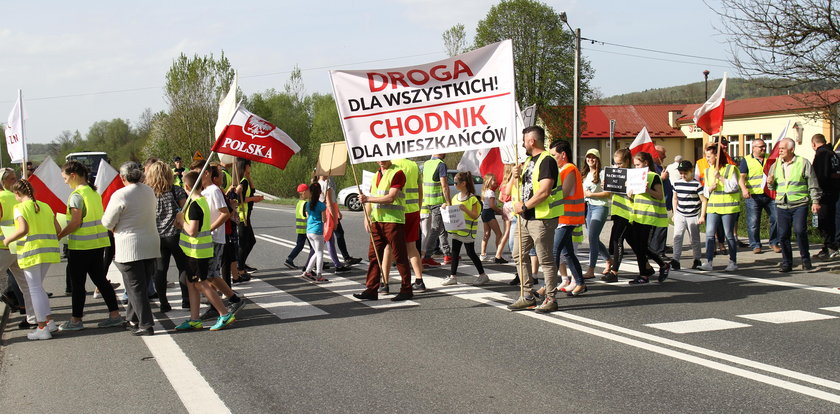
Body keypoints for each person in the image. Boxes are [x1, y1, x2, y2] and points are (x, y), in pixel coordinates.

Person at [56, 161, 123, 331]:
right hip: (98, 244)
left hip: (80, 247)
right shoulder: (93, 193)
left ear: (73, 176)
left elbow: (76, 223)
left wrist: (59, 235)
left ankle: (76, 320)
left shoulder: (76, 196)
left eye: (65, 178)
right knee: (101, 280)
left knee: (78, 285)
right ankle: (115, 315)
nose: (64, 182)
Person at [101, 162, 159, 335]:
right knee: (138, 285)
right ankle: (132, 318)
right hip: (150, 242)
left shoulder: (120, 194)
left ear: (122, 177)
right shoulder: (149, 191)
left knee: (135, 288)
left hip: (129, 245)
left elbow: (107, 222)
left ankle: (146, 324)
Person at [507, 126, 561, 312]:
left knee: (545, 259)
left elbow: (544, 191)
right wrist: (514, 177)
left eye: (524, 140)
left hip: (541, 218)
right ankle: (527, 296)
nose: (522, 143)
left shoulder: (547, 161)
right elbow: (515, 189)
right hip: (524, 218)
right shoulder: (528, 161)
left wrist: (523, 206)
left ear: (532, 141)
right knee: (518, 254)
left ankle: (551, 298)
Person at [175, 171, 236, 331]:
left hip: (197, 251)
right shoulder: (198, 201)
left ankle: (224, 313)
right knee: (192, 283)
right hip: (192, 251)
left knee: (201, 284)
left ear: (187, 186)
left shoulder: (195, 205)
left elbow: (193, 230)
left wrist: (181, 221)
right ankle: (194, 319)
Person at [3, 179, 60, 340]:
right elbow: (58, 229)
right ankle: (49, 323)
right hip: (49, 251)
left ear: (17, 193)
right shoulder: (45, 206)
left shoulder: (19, 207)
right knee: (38, 288)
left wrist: (7, 240)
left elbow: (23, 229)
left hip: (31, 252)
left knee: (34, 289)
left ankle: (42, 327)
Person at [352, 159, 414, 302]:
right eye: (378, 159)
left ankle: (406, 289)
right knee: (374, 257)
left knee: (400, 257)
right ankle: (371, 289)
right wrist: (366, 217)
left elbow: (391, 197)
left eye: (383, 158)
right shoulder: (376, 175)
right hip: (377, 222)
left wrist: (367, 199)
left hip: (393, 221)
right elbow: (370, 197)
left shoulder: (397, 173)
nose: (381, 161)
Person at [199, 165, 245, 319]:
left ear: (207, 174)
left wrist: (209, 229)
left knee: (210, 274)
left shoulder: (214, 190)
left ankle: (234, 299)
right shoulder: (205, 191)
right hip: (207, 237)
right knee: (209, 275)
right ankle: (215, 305)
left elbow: (224, 213)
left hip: (214, 237)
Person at [768, 138, 822, 272]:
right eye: (779, 148)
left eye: (782, 148)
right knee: (783, 234)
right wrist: (770, 182)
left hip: (799, 203)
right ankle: (787, 262)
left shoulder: (803, 163)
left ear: (791, 150)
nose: (779, 151)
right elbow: (773, 186)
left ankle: (805, 259)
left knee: (799, 231)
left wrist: (815, 201)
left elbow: (813, 184)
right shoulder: (775, 165)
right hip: (782, 204)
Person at [146, 161, 190, 311]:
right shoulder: (175, 190)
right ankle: (186, 300)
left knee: (160, 270)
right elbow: (185, 210)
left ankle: (164, 303)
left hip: (156, 235)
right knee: (183, 266)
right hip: (175, 234)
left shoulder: (148, 193)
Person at [549, 140, 586, 301]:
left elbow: (564, 192)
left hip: (568, 217)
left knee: (555, 252)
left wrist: (546, 192)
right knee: (567, 252)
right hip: (563, 216)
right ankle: (580, 282)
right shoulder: (562, 169)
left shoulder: (569, 169)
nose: (552, 158)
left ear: (563, 155)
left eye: (554, 155)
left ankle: (548, 286)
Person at [381, 158, 424, 294]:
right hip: (413, 209)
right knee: (411, 246)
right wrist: (419, 207)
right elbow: (419, 189)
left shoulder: (390, 164)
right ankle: (419, 280)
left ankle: (384, 283)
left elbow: (383, 190)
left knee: (388, 247)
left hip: (396, 211)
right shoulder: (413, 165)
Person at [627, 151, 671, 283]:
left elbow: (659, 195)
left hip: (648, 216)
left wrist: (648, 190)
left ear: (646, 163)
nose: (636, 168)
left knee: (641, 246)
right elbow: (635, 197)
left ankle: (644, 274)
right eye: (634, 165)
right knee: (638, 245)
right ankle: (660, 265)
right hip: (637, 215)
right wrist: (630, 194)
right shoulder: (635, 177)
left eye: (638, 165)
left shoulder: (653, 176)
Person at [440, 171, 489, 286]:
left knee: (471, 253)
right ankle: (453, 276)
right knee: (455, 253)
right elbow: (452, 209)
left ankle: (483, 275)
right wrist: (445, 205)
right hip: (457, 230)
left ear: (463, 183)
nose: (454, 185)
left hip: (468, 232)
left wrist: (465, 209)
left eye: (456, 182)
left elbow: (475, 215)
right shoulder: (456, 197)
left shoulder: (472, 198)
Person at [0, 168, 34, 329]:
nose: (14, 181)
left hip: (4, 246)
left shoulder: (2, 197)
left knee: (25, 284)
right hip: (19, 245)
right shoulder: (19, 198)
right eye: (12, 179)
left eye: (15, 178)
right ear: (4, 181)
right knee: (26, 284)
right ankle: (33, 317)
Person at [699, 144, 742, 272]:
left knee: (729, 235)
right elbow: (705, 192)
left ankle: (732, 262)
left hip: (728, 208)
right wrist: (709, 189)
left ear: (717, 156)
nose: (707, 159)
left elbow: (734, 187)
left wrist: (720, 178)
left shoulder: (730, 169)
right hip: (713, 207)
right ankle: (709, 261)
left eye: (709, 156)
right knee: (710, 234)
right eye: (706, 157)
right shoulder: (707, 171)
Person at [739, 137, 780, 254]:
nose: (763, 148)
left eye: (764, 146)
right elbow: (741, 177)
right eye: (760, 147)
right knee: (753, 222)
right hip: (753, 196)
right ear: (753, 148)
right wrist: (744, 189)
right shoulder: (746, 160)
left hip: (770, 194)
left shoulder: (770, 158)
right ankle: (755, 244)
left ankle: (774, 242)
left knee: (776, 218)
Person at [580, 149, 612, 278]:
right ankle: (609, 260)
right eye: (588, 157)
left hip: (600, 207)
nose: (590, 160)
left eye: (593, 157)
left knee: (592, 237)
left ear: (597, 159)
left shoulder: (603, 174)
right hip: (588, 207)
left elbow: (608, 193)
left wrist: (591, 194)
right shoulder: (585, 174)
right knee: (594, 238)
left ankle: (591, 269)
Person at [318, 174, 362, 267]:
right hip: (329, 213)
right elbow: (329, 203)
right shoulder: (326, 184)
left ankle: (318, 259)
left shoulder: (318, 183)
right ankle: (343, 260)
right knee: (329, 236)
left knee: (328, 236)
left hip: (326, 212)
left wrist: (338, 212)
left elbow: (332, 201)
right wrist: (335, 218)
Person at [603, 148, 633, 283]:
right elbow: (610, 193)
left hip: (628, 213)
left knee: (617, 241)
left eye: (620, 163)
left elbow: (636, 196)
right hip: (617, 211)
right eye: (615, 163)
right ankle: (649, 266)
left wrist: (630, 190)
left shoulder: (632, 175)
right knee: (637, 244)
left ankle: (614, 271)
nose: (617, 166)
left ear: (627, 161)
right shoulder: (615, 173)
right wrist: (607, 185)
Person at [810, 133, 840, 259]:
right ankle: (832, 246)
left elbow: (820, 176)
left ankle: (830, 247)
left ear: (814, 144)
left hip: (825, 195)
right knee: (834, 221)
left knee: (823, 222)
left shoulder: (821, 154)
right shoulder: (833, 153)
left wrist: (817, 196)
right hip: (836, 193)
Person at [672, 160, 705, 270]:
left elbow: (704, 201)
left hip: (693, 214)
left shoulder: (697, 184)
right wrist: (675, 212)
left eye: (685, 173)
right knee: (677, 236)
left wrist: (702, 215)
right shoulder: (677, 183)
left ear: (691, 171)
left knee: (694, 239)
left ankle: (697, 259)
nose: (683, 175)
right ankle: (675, 260)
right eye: (681, 173)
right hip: (680, 213)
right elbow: (675, 198)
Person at [420, 154, 452, 266]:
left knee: (442, 228)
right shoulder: (441, 164)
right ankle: (426, 257)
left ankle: (447, 254)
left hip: (428, 200)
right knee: (436, 228)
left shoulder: (426, 163)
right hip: (438, 201)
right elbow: (444, 186)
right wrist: (448, 202)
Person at [236, 158, 264, 273]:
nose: (251, 168)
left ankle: (241, 263)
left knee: (251, 241)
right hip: (243, 216)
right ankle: (240, 268)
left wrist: (248, 176)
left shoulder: (245, 180)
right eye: (249, 165)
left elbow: (252, 189)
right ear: (245, 166)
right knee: (244, 243)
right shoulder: (243, 182)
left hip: (247, 215)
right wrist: (254, 199)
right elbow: (240, 199)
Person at [302, 183, 329, 283]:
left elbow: (308, 215)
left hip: (309, 231)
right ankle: (319, 274)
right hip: (317, 231)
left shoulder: (308, 204)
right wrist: (324, 206)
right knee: (320, 253)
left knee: (316, 251)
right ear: (320, 192)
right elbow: (324, 220)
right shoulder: (322, 205)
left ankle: (308, 271)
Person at [285, 184, 311, 269]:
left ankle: (290, 259)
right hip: (307, 228)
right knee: (314, 247)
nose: (309, 192)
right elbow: (308, 216)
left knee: (300, 245)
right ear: (304, 192)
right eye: (308, 191)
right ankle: (314, 262)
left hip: (300, 228)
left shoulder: (299, 203)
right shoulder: (306, 204)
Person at [479, 173, 503, 262]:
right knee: (499, 234)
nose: (496, 182)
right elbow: (492, 205)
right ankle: (498, 254)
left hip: (484, 213)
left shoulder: (484, 191)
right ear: (489, 181)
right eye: (494, 180)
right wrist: (500, 211)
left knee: (486, 234)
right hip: (489, 213)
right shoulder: (491, 192)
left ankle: (483, 254)